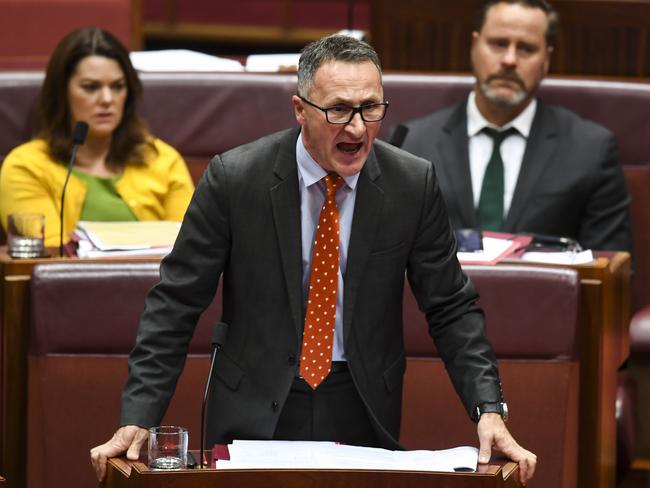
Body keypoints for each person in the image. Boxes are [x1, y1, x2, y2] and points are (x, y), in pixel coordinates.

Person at [90, 34, 536, 484]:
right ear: (300, 109)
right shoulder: (235, 179)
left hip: (360, 401)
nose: (358, 128)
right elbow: (175, 303)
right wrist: (139, 415)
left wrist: (489, 409)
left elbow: (450, 306)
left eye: (371, 108)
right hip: (254, 401)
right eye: (338, 109)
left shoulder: (411, 184)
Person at [399, 0, 632, 252]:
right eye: (499, 44)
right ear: (474, 46)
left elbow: (611, 270)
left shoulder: (590, 151)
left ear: (546, 60)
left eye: (526, 48)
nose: (509, 60)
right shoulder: (411, 143)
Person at [0, 27, 194, 247]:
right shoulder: (25, 166)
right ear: (62, 93)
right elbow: (51, 259)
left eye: (118, 86)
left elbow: (188, 249)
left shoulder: (161, 159)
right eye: (91, 87)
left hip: (156, 281)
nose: (107, 99)